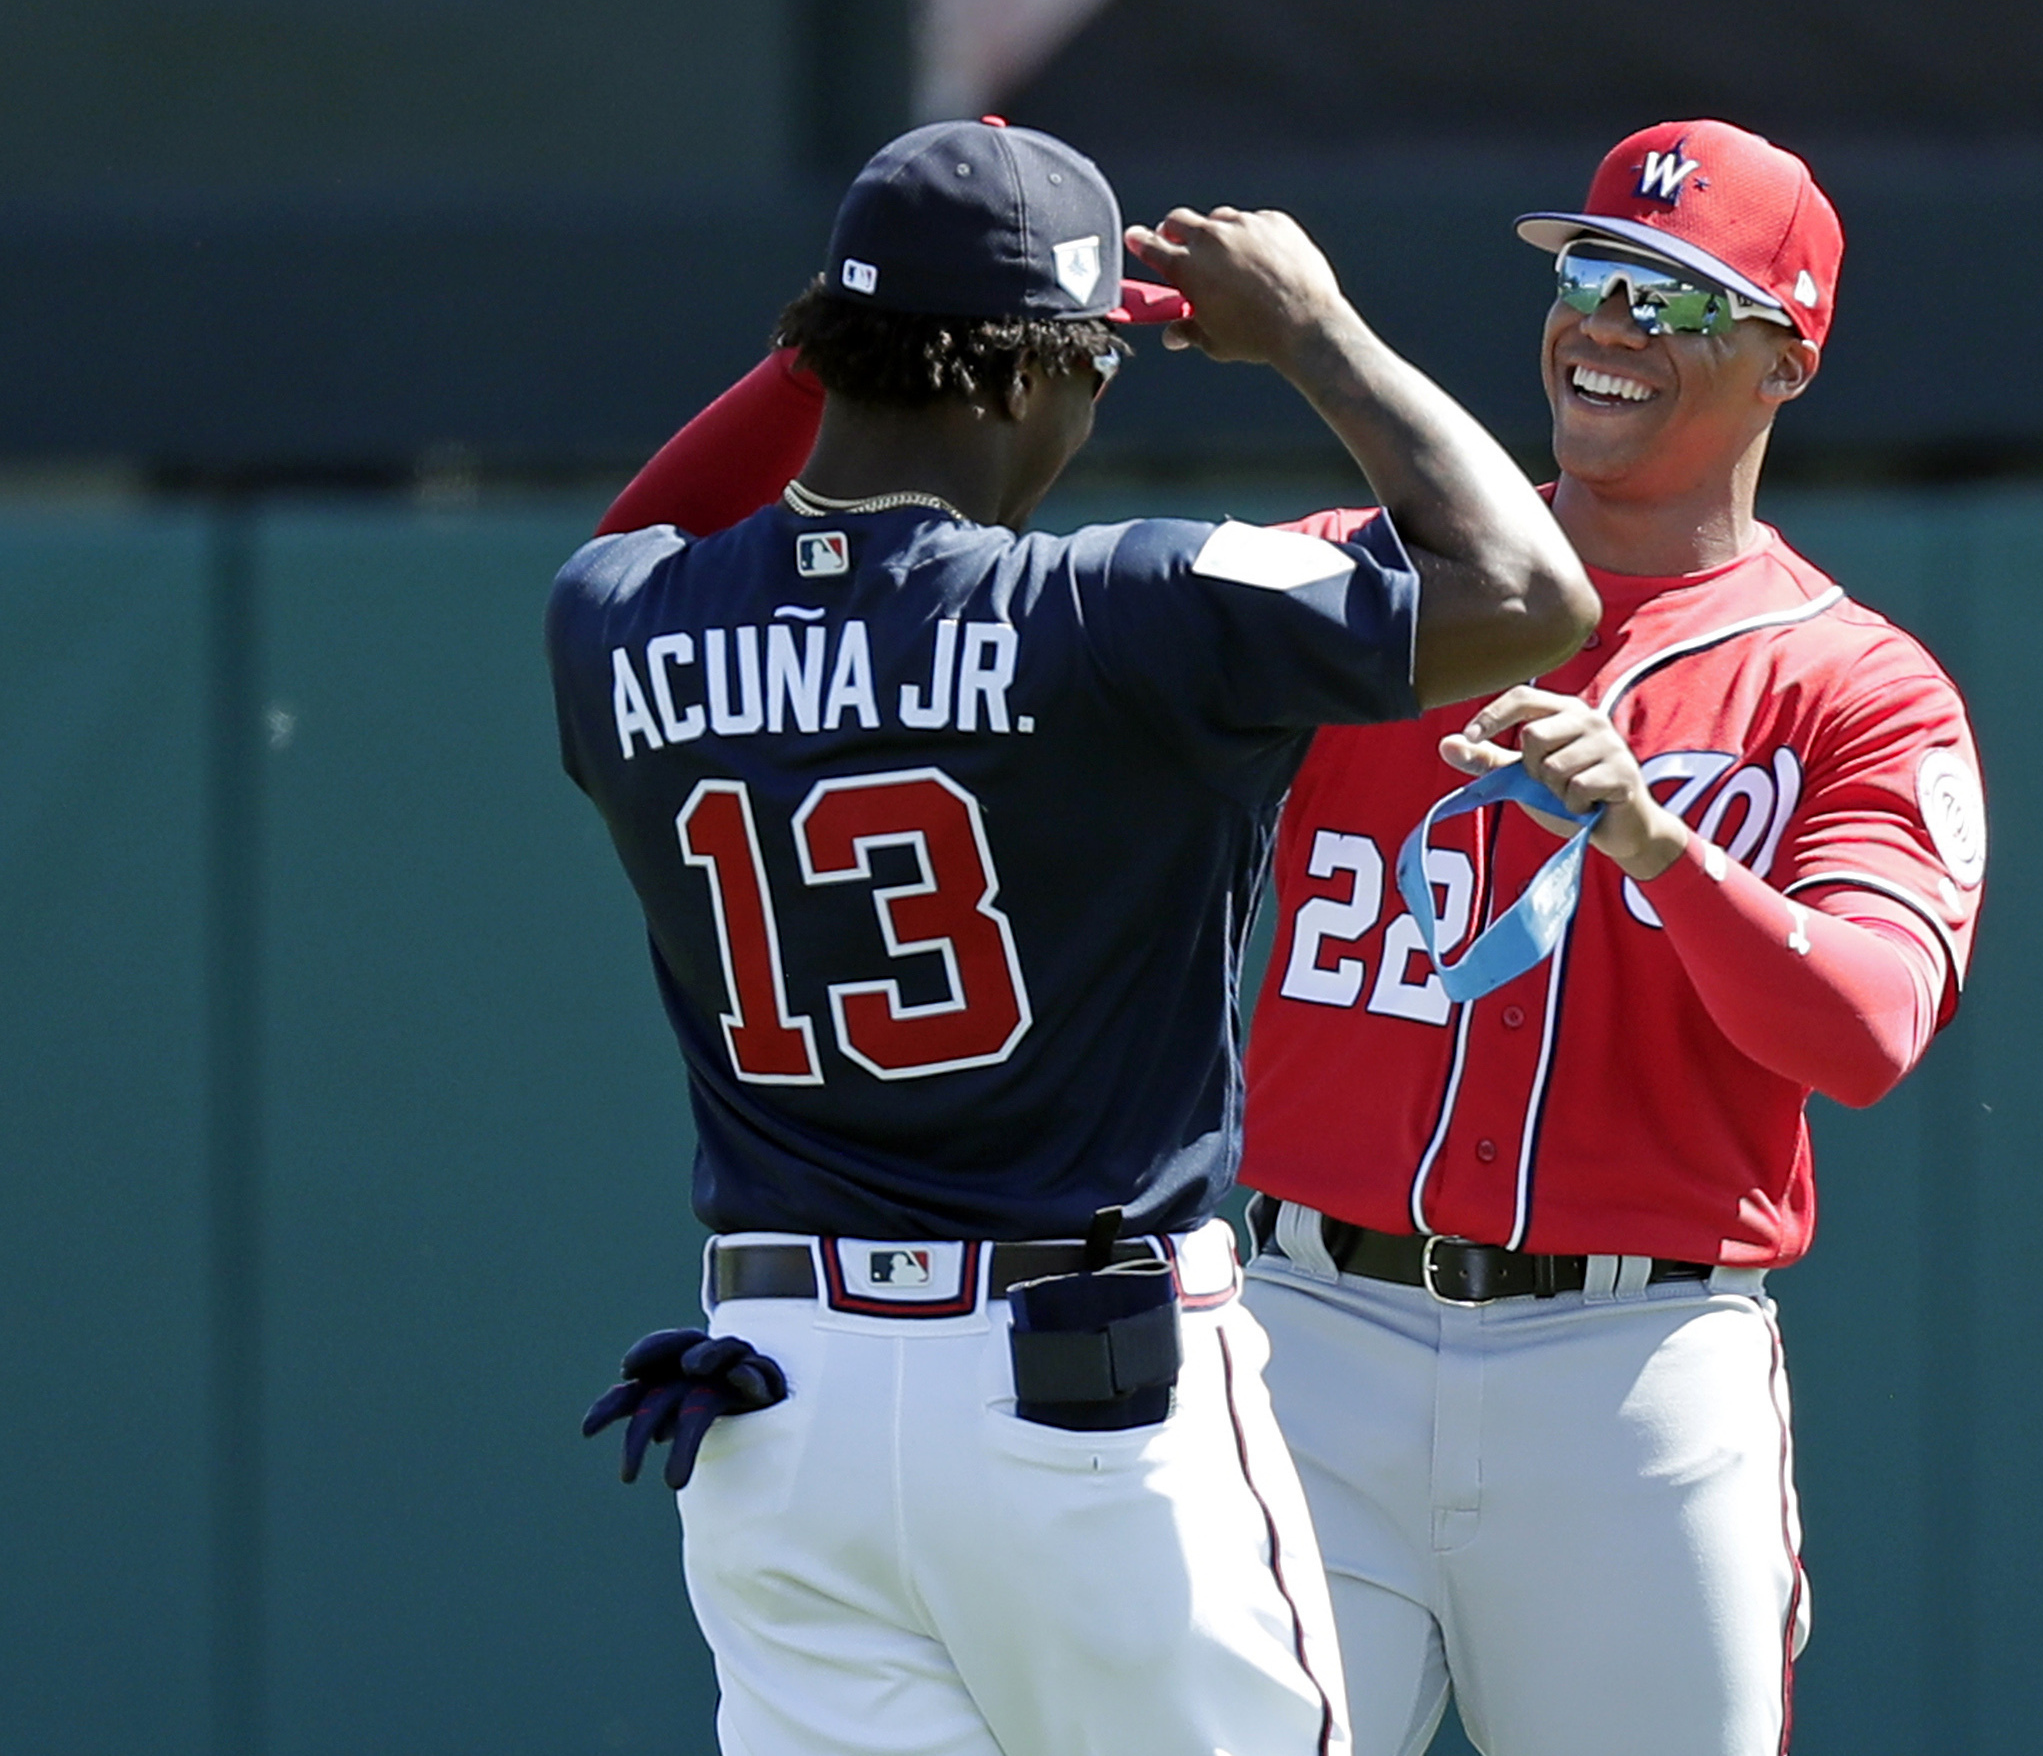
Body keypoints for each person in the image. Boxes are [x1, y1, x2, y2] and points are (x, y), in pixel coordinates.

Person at [546, 117, 1596, 1756]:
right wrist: (1315, 330)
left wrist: (840, 335)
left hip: (780, 1403)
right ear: (1035, 379)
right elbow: (1532, 587)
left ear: (828, 346)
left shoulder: (620, 621)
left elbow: (637, 532)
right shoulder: (1122, 610)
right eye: (1093, 364)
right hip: (1083, 1404)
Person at [1233, 119, 1988, 1756]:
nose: (1610, 326)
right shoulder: (1347, 587)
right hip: (1309, 1344)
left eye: (1677, 298)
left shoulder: (1851, 683)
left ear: (1787, 359)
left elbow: (1865, 1030)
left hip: (1633, 1375)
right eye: (1593, 272)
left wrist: (1659, 846)